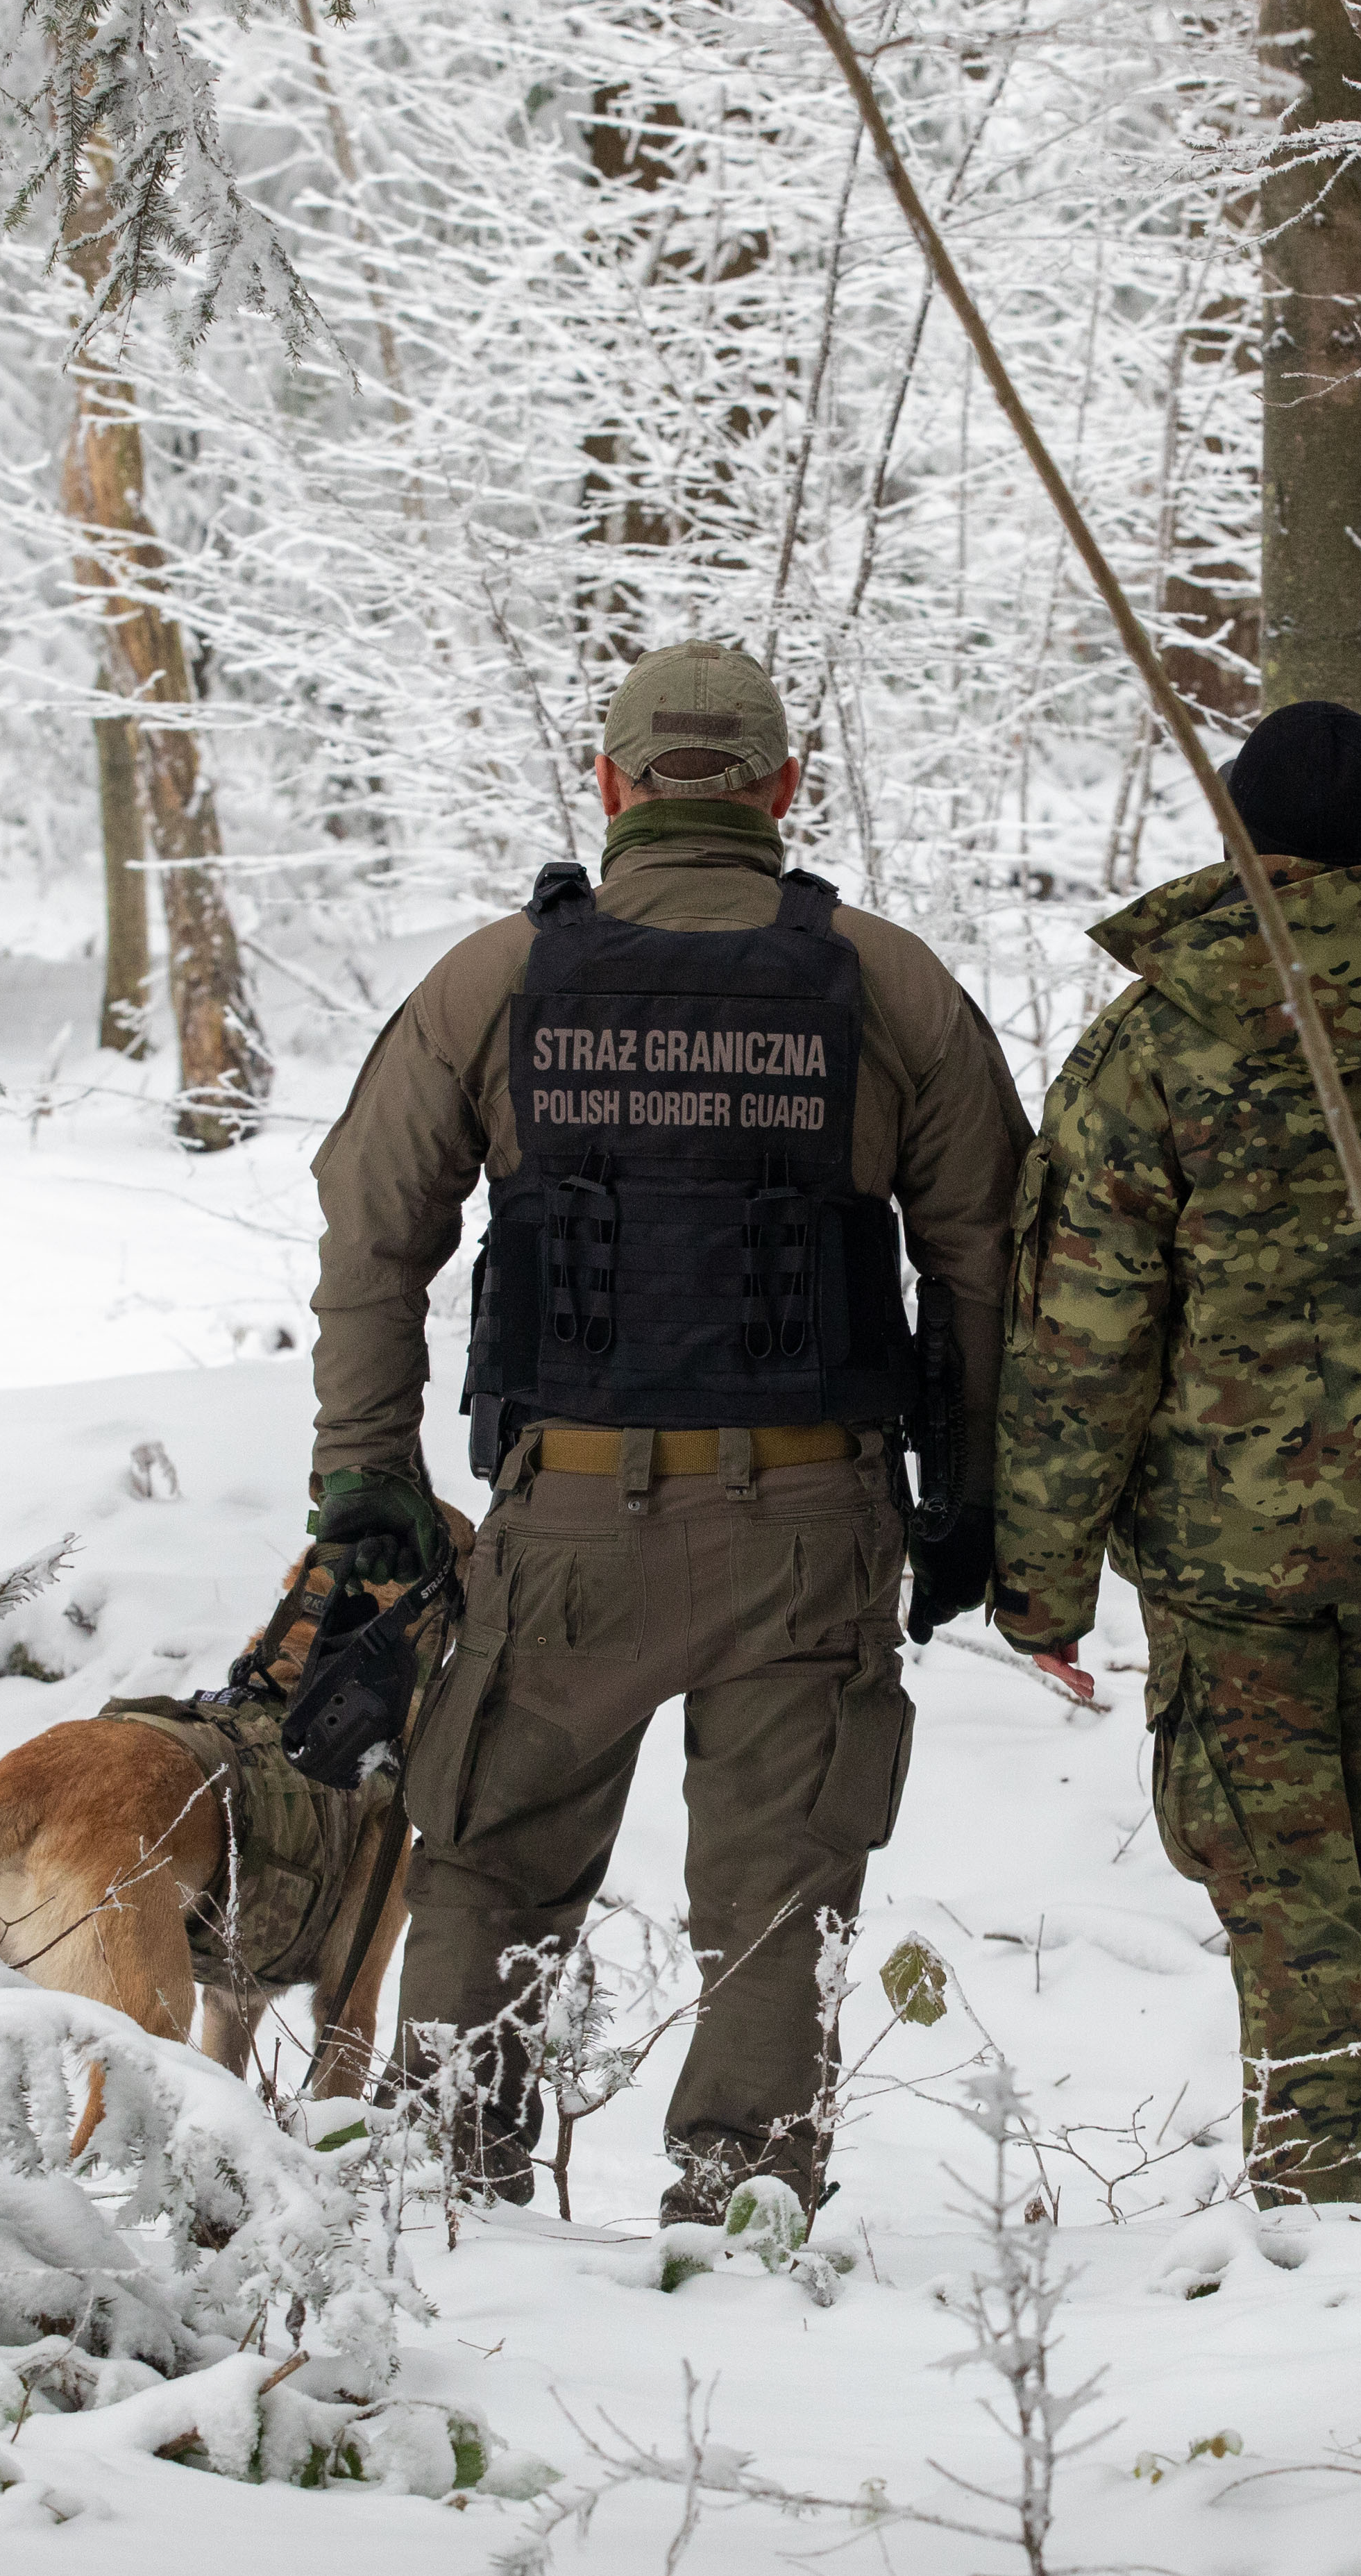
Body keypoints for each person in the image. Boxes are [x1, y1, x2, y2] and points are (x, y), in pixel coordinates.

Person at [305, 640, 1027, 2220]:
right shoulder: (890, 983)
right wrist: (975, 1499)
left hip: (564, 1526)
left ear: (614, 785)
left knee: (487, 1864)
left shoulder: (496, 979)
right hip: (815, 1529)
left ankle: (440, 2205)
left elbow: (371, 1229)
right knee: (777, 1905)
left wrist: (365, 1470)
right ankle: (744, 2211)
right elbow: (990, 1254)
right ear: (782, 789)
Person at [990, 701, 1361, 2203]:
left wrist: (1041, 1580)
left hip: (1228, 1551)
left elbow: (1085, 1335)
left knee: (1285, 1895)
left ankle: (1333, 2205)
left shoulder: (1154, 1047)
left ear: (1241, 841)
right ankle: (1359, 2196)